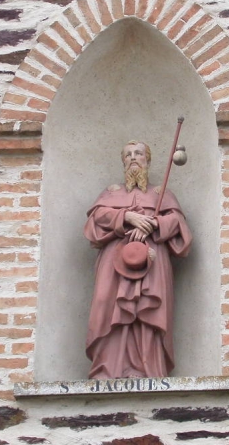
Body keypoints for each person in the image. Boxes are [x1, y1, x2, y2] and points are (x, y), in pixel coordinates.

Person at [84, 141, 192, 379]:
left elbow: (178, 223)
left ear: (148, 160)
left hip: (152, 261)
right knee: (107, 304)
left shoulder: (161, 194)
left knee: (148, 309)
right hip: (114, 261)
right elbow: (97, 218)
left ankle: (147, 369)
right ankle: (108, 369)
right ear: (123, 162)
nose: (133, 158)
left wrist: (154, 224)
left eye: (139, 153)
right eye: (128, 155)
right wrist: (127, 217)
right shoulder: (111, 193)